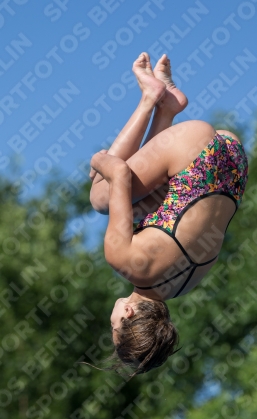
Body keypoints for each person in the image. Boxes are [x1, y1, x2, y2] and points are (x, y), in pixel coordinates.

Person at [89, 52, 248, 376]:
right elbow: (119, 172)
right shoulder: (123, 260)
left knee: (136, 206)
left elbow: (165, 203)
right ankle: (150, 99)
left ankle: (167, 107)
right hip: (196, 152)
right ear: (130, 313)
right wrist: (98, 161)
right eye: (115, 326)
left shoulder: (184, 285)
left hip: (232, 161)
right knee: (100, 196)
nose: (112, 318)